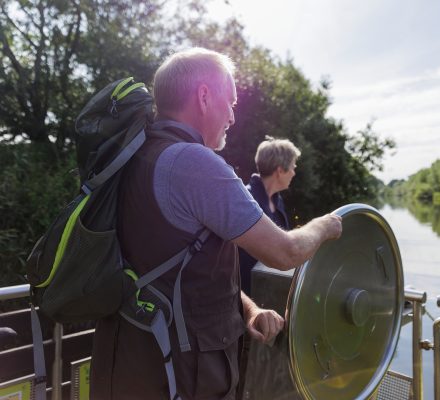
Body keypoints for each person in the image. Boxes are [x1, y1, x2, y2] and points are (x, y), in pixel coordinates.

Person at [89, 47, 342, 400]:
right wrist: (327, 224)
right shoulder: (193, 163)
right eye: (232, 102)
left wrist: (249, 310)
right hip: (178, 376)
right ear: (204, 96)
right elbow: (285, 253)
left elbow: (175, 271)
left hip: (130, 361)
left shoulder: (136, 158)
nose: (233, 117)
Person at [239, 137, 301, 296]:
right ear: (280, 171)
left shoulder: (277, 200)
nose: (294, 172)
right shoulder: (245, 199)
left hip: (269, 292)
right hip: (245, 297)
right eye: (293, 167)